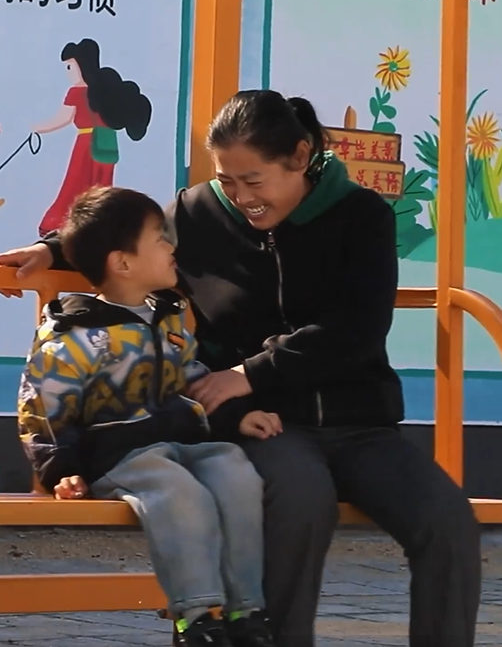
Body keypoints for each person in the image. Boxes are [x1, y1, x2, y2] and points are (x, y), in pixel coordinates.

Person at [1, 90, 481, 647]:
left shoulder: (361, 215)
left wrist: (248, 373)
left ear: (299, 157)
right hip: (263, 422)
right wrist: (52, 249)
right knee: (300, 503)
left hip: (362, 424)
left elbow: (357, 329)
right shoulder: (197, 213)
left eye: (254, 181)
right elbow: (124, 238)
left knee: (447, 521)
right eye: (227, 180)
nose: (242, 197)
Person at [17, 185, 279, 647]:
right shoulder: (75, 334)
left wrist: (235, 416)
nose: (171, 246)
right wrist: (62, 468)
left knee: (236, 472)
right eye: (159, 238)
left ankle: (245, 608)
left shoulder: (168, 317)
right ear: (123, 263)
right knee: (178, 491)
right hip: (119, 453)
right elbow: (42, 406)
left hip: (182, 441)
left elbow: (192, 377)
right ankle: (195, 615)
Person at [34, 38, 152, 236]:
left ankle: (58, 225)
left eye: (70, 66)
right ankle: (100, 229)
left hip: (87, 144)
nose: (68, 72)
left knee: (75, 185)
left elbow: (63, 118)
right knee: (101, 190)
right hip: (107, 144)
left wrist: (37, 128)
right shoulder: (106, 91)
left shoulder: (77, 92)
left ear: (82, 66)